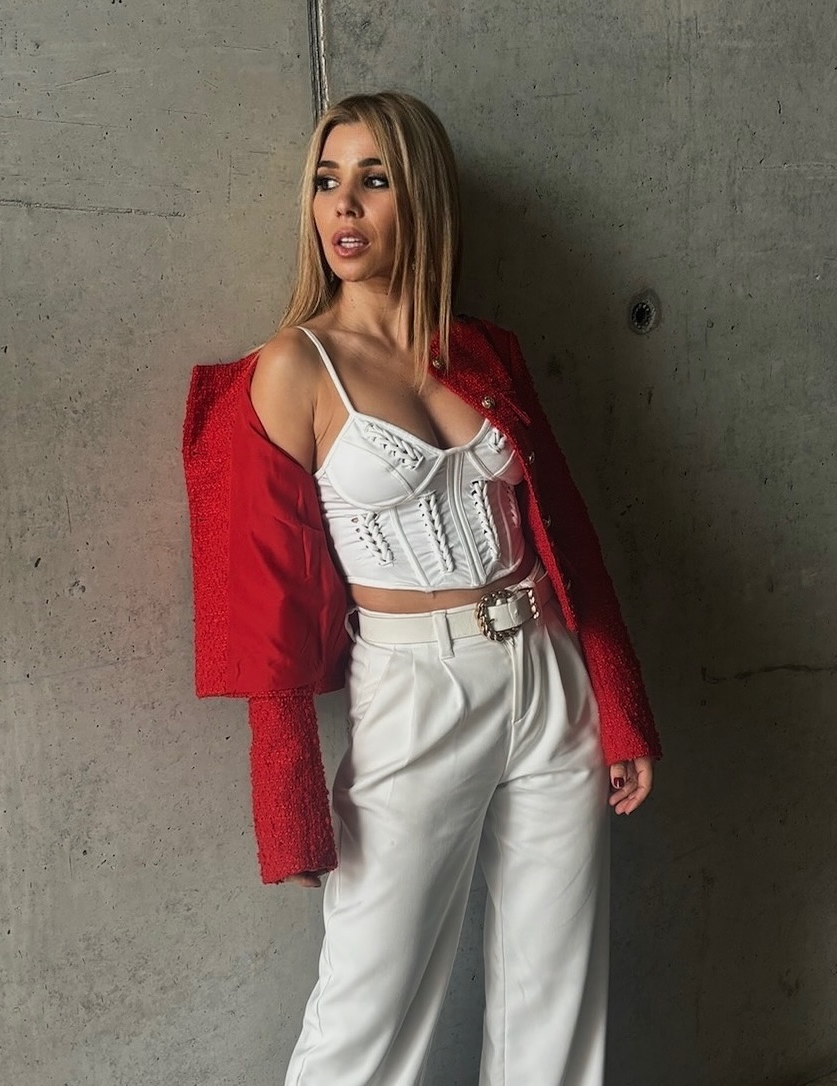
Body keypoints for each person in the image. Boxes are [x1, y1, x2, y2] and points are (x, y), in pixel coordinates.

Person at [182, 91, 661, 1086]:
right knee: (366, 1012)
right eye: (326, 181)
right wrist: (288, 803)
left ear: (422, 198)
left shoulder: (485, 350)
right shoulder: (293, 368)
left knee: (557, 999)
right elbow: (261, 606)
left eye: (374, 178)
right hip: (413, 692)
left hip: (547, 674)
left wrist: (618, 708)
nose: (343, 204)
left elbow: (566, 539)